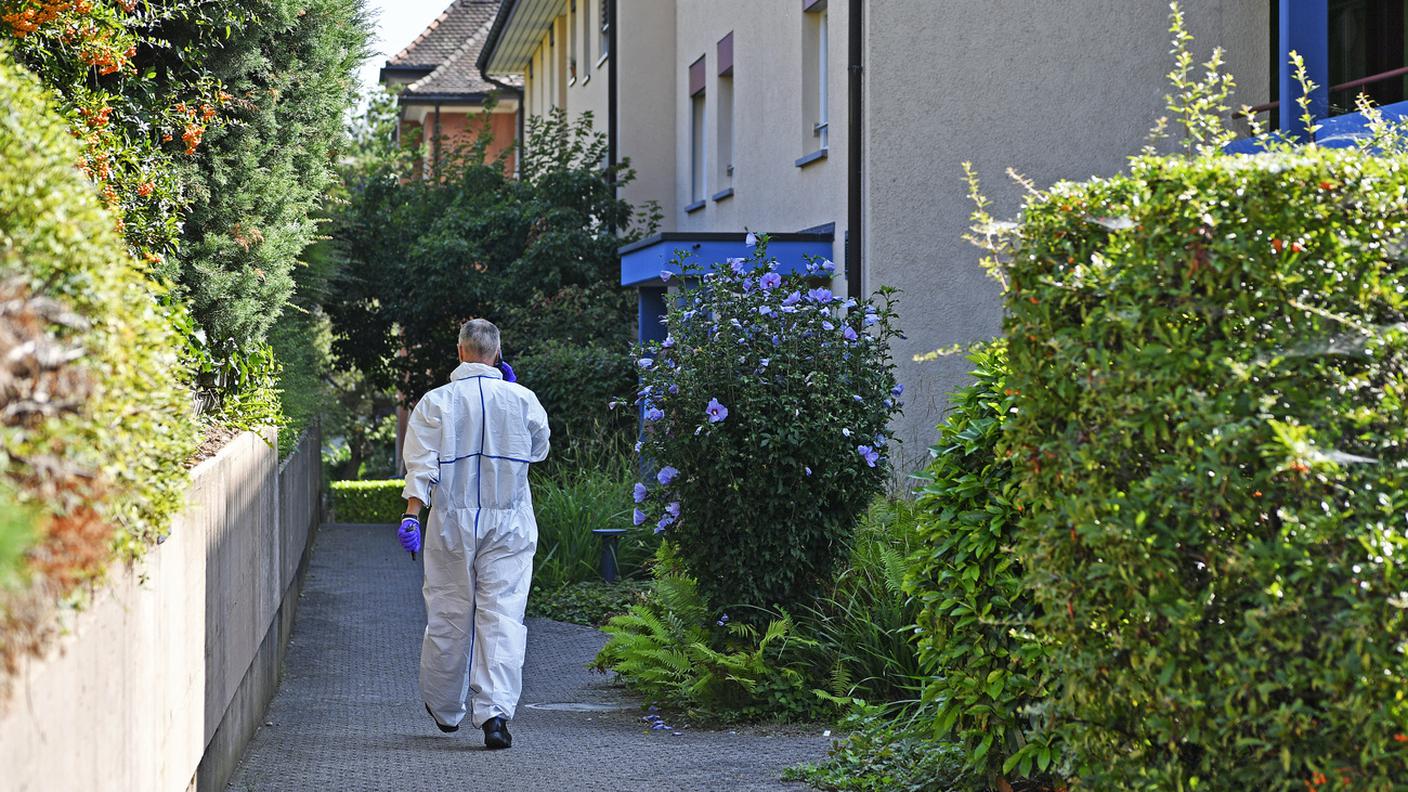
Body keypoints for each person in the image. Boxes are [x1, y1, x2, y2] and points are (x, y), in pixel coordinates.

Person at [397, 318, 550, 750]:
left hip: (452, 523)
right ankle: (495, 716)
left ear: (460, 351)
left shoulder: (435, 403)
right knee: (501, 616)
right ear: (497, 354)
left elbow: (421, 465)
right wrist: (512, 404)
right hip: (509, 522)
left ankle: (446, 710)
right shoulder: (523, 399)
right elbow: (539, 449)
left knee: (449, 614)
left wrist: (412, 516)